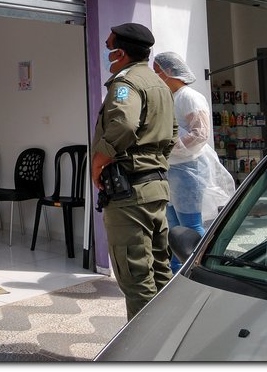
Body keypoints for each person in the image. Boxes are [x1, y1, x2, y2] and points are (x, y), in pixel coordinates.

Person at [91, 22, 177, 321]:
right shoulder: (159, 85)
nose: (106, 53)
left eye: (108, 47)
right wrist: (154, 163)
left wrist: (99, 161)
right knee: (160, 272)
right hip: (155, 189)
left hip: (129, 195)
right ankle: (170, 346)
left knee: (136, 280)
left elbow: (124, 125)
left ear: (121, 53)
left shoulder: (126, 84)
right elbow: (172, 132)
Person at [153, 52, 235, 272]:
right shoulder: (173, 97)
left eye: (157, 71)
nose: (155, 76)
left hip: (187, 170)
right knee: (174, 225)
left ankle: (199, 269)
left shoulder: (188, 96)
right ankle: (177, 268)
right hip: (173, 169)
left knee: (190, 224)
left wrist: (170, 145)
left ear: (169, 72)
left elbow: (200, 133)